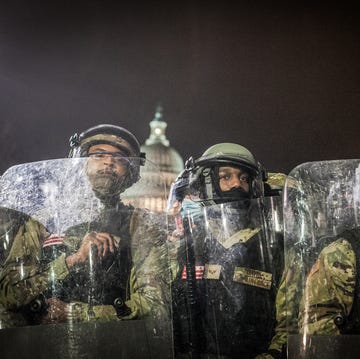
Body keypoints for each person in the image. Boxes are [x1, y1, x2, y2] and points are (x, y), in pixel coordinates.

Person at [0, 124, 170, 325]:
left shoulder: (141, 225)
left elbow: (156, 305)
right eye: (98, 155)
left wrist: (77, 314)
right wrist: (72, 261)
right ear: (80, 164)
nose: (109, 162)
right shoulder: (43, 221)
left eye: (119, 159)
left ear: (130, 173)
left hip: (116, 341)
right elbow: (8, 295)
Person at [168, 143, 282, 358]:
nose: (237, 184)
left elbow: (289, 317)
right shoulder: (188, 243)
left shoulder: (270, 244)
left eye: (244, 178)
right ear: (207, 184)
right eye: (226, 177)